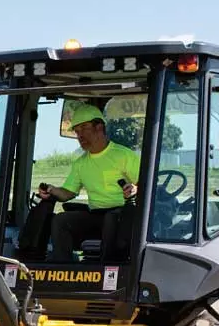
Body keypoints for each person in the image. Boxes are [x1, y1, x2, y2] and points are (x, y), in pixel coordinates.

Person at [35, 100, 140, 260]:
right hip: (96, 216)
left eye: (84, 128)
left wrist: (134, 188)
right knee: (60, 220)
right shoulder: (81, 163)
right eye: (77, 131)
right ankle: (63, 271)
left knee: (112, 219)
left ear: (99, 127)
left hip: (123, 215)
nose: (80, 135)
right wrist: (51, 189)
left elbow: (145, 186)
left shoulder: (124, 155)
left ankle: (106, 272)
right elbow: (68, 193)